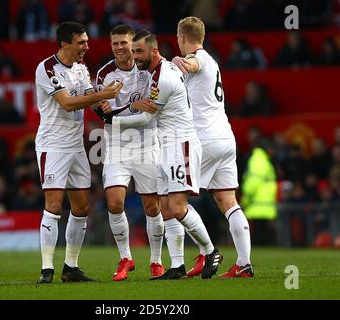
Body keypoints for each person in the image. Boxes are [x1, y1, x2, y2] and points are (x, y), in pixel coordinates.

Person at [100, 30, 220, 280]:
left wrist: (112, 120)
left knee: (176, 207)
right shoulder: (157, 71)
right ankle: (176, 265)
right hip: (165, 145)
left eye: (138, 51)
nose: (135, 56)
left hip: (180, 144)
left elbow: (146, 117)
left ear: (153, 51)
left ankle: (209, 251)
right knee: (166, 207)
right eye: (133, 51)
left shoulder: (162, 77)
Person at [34, 21, 122, 284]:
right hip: (53, 145)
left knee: (82, 207)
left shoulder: (82, 69)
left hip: (75, 145)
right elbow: (68, 103)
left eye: (86, 41)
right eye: (81, 42)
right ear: (65, 43)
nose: (86, 46)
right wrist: (101, 95)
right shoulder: (47, 68)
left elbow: (88, 98)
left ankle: (70, 267)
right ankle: (46, 269)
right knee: (53, 205)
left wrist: (104, 104)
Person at [172, 16, 253, 278]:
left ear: (182, 37)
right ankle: (243, 264)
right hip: (225, 138)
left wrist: (180, 63)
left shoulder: (200, 59)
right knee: (227, 200)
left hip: (204, 139)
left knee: (175, 201)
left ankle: (207, 252)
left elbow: (193, 65)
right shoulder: (214, 62)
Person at [95, 24, 165, 281]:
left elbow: (149, 112)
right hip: (116, 147)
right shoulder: (105, 73)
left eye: (124, 43)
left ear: (133, 44)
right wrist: (131, 106)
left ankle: (156, 261)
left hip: (147, 145)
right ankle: (125, 257)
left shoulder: (147, 71)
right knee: (114, 203)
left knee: (152, 206)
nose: (120, 48)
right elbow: (103, 112)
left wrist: (120, 109)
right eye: (115, 44)